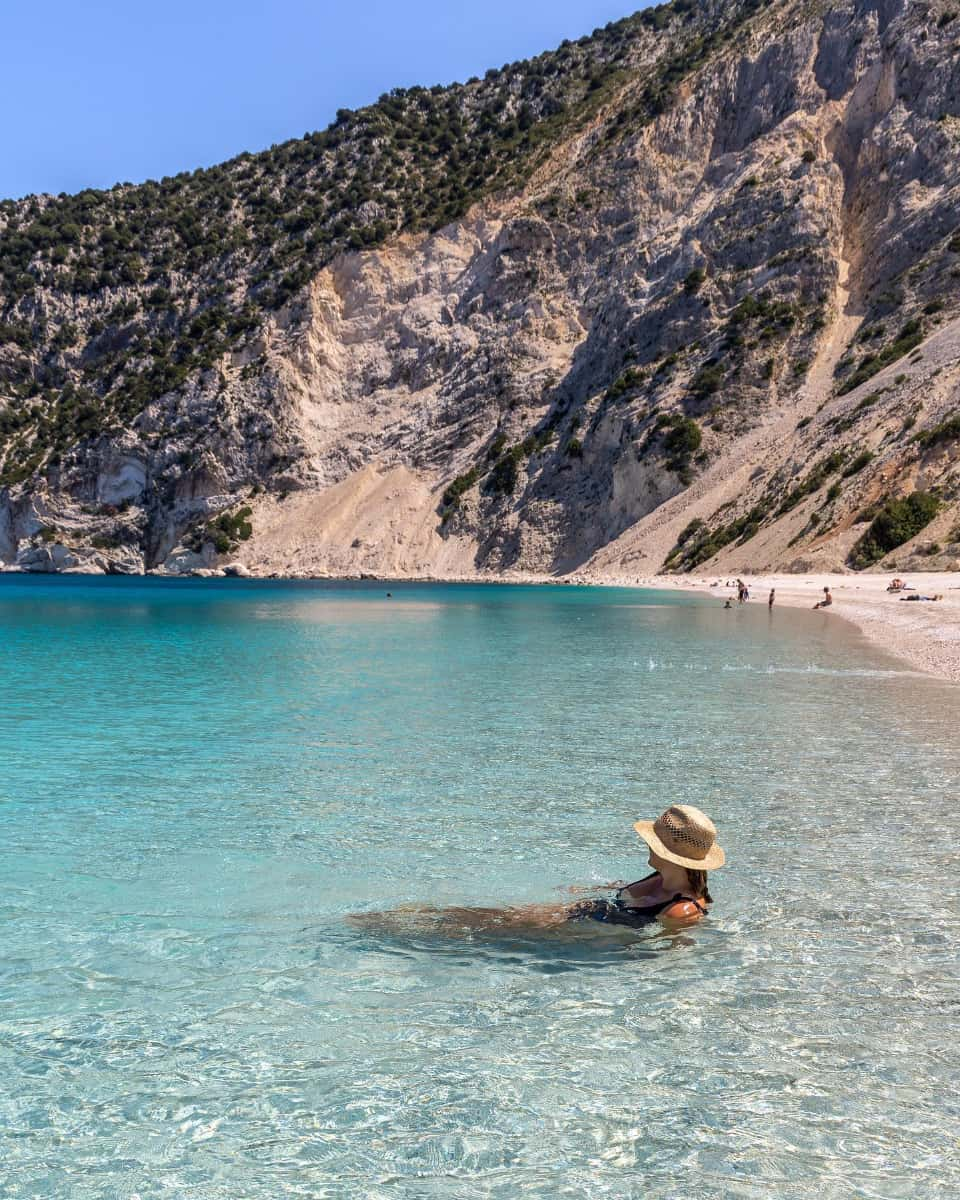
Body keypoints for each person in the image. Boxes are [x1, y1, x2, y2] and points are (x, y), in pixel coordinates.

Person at [348, 805, 724, 938]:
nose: (647, 848)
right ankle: (390, 923)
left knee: (477, 928)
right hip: (572, 917)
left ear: (673, 857)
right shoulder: (665, 880)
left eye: (654, 844)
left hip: (567, 932)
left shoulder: (682, 910)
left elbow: (657, 954)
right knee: (473, 919)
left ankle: (382, 928)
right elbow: (622, 895)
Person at [566, 805, 724, 929]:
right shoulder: (663, 878)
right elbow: (623, 889)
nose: (648, 844)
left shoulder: (681, 911)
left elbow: (667, 955)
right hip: (581, 917)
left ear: (669, 856)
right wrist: (592, 889)